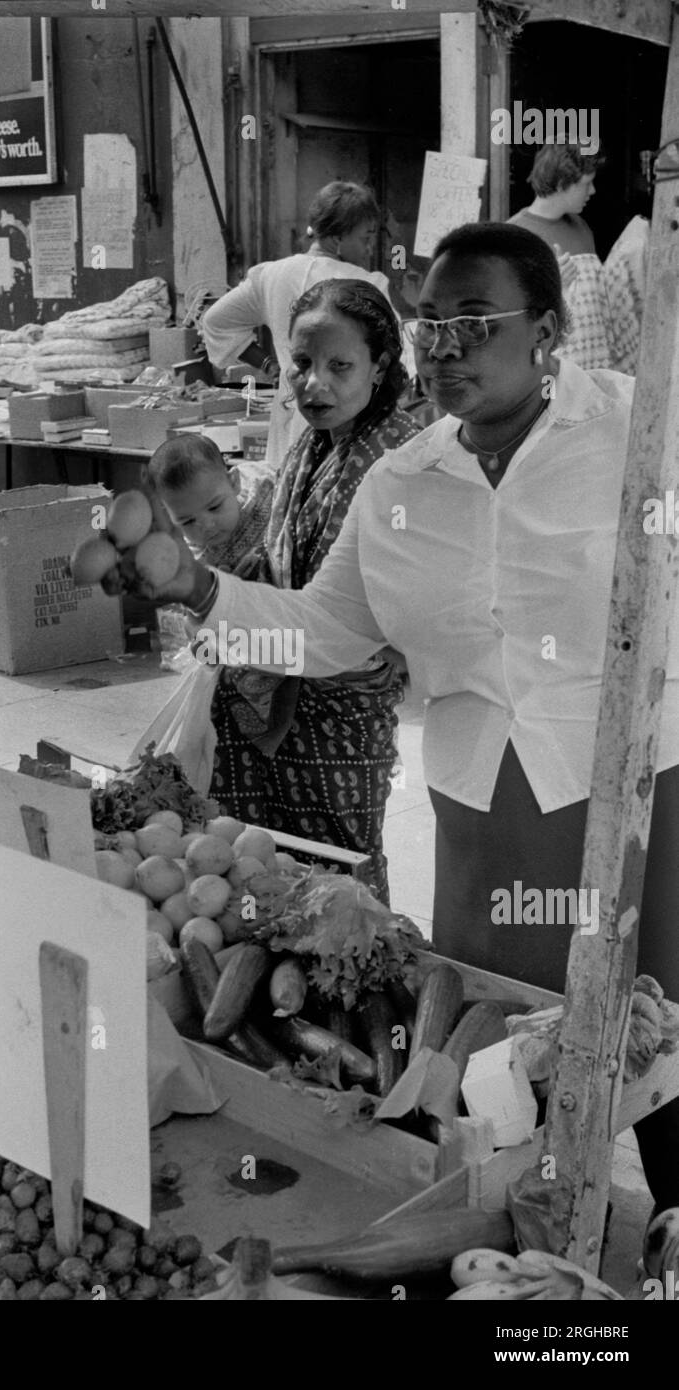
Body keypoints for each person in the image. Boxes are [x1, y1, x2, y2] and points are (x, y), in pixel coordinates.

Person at [119, 223, 679, 1239]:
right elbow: (324, 636)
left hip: (636, 799)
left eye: (477, 322)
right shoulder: (402, 486)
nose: (447, 347)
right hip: (485, 817)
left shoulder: (645, 432)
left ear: (548, 331)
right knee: (506, 1064)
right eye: (433, 324)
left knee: (658, 1042)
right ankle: (541, 1248)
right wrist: (197, 588)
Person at [193, 279, 421, 902]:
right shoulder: (316, 440)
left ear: (380, 366)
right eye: (301, 363)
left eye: (339, 365)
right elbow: (280, 549)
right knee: (262, 861)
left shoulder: (398, 457)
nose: (314, 383)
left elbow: (392, 598)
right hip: (283, 678)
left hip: (343, 701)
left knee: (338, 872)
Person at [201, 182, 392, 471]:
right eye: (365, 238)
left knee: (289, 492)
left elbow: (216, 322)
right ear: (338, 236)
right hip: (345, 415)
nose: (368, 249)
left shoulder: (271, 275)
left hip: (291, 407)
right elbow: (397, 358)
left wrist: (270, 365)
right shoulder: (366, 284)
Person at [148, 434, 273, 572]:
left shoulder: (264, 489)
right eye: (188, 521)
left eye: (214, 507)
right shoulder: (193, 558)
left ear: (234, 482)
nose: (207, 526)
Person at [508, 143, 601, 257]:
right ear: (561, 184)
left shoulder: (581, 226)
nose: (593, 190)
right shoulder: (514, 236)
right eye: (586, 184)